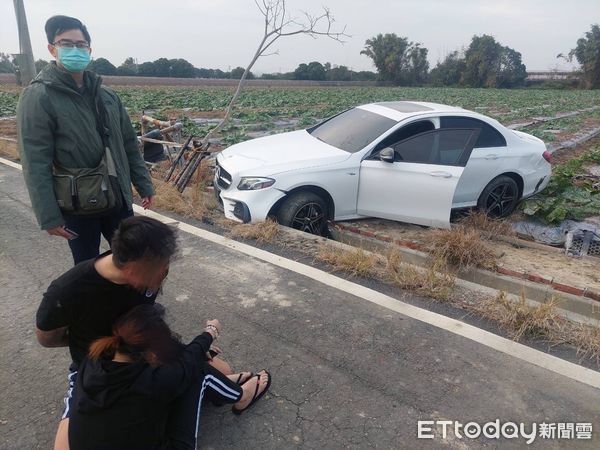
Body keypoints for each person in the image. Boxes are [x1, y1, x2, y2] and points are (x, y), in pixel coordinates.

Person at [35, 216, 186, 449]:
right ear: (133, 269)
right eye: (161, 269)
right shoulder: (68, 290)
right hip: (95, 372)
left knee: (212, 367)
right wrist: (101, 345)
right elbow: (46, 337)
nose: (164, 274)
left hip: (141, 360)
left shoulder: (145, 278)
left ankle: (242, 387)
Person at [17, 15, 155, 264]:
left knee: (132, 258)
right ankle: (92, 304)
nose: (75, 50)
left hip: (118, 196)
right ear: (52, 48)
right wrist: (48, 215)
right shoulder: (39, 96)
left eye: (81, 45)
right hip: (77, 204)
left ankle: (131, 303)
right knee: (86, 265)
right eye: (66, 44)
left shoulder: (108, 96)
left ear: (89, 50)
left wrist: (143, 185)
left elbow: (129, 145)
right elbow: (35, 160)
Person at [68, 304, 271, 450]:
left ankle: (221, 387)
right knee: (197, 373)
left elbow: (178, 360)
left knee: (186, 368)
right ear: (150, 352)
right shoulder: (152, 381)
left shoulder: (95, 359)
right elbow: (187, 362)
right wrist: (211, 331)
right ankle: (242, 396)